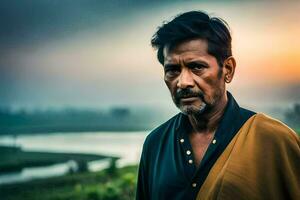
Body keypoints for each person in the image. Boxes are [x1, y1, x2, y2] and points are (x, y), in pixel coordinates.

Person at [136, 11, 300, 200]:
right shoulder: (156, 144)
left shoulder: (273, 139)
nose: (183, 82)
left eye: (197, 67)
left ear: (228, 70)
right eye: (172, 70)